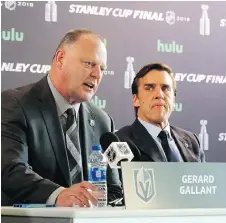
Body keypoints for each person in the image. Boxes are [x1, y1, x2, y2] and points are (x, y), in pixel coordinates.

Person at [1, 29, 122, 207]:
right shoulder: (16, 104)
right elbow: (11, 170)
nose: (97, 74)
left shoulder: (103, 121)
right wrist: (58, 195)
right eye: (89, 63)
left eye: (102, 68)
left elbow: (113, 189)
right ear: (60, 59)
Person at [115, 63, 205, 162]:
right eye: (149, 88)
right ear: (136, 99)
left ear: (174, 100)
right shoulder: (119, 142)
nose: (159, 95)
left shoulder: (192, 141)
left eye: (165, 88)